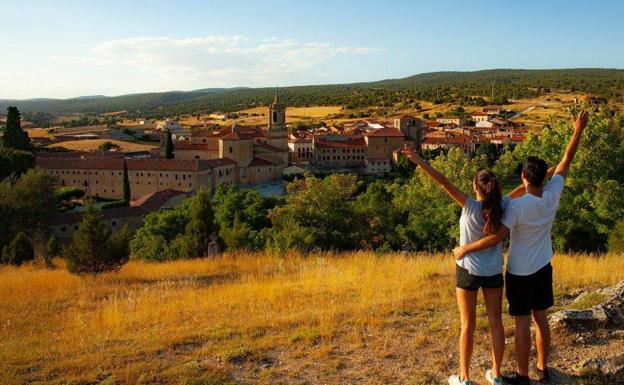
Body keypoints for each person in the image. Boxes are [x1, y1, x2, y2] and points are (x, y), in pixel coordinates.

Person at [453, 110, 589, 385]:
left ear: (524, 178)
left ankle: (523, 376)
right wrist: (577, 131)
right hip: (543, 268)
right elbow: (565, 161)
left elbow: (496, 237)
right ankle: (542, 367)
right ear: (541, 179)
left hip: (519, 272)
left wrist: (465, 249)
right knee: (542, 318)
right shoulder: (552, 195)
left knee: (522, 321)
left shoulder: (516, 207)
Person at [403, 146, 528, 385]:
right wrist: (548, 173)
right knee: (495, 321)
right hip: (492, 272)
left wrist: (419, 161)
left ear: (475, 187)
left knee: (467, 324)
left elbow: (442, 181)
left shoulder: (470, 206)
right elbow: (523, 189)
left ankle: (465, 377)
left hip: (467, 270)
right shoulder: (503, 205)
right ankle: (497, 374)